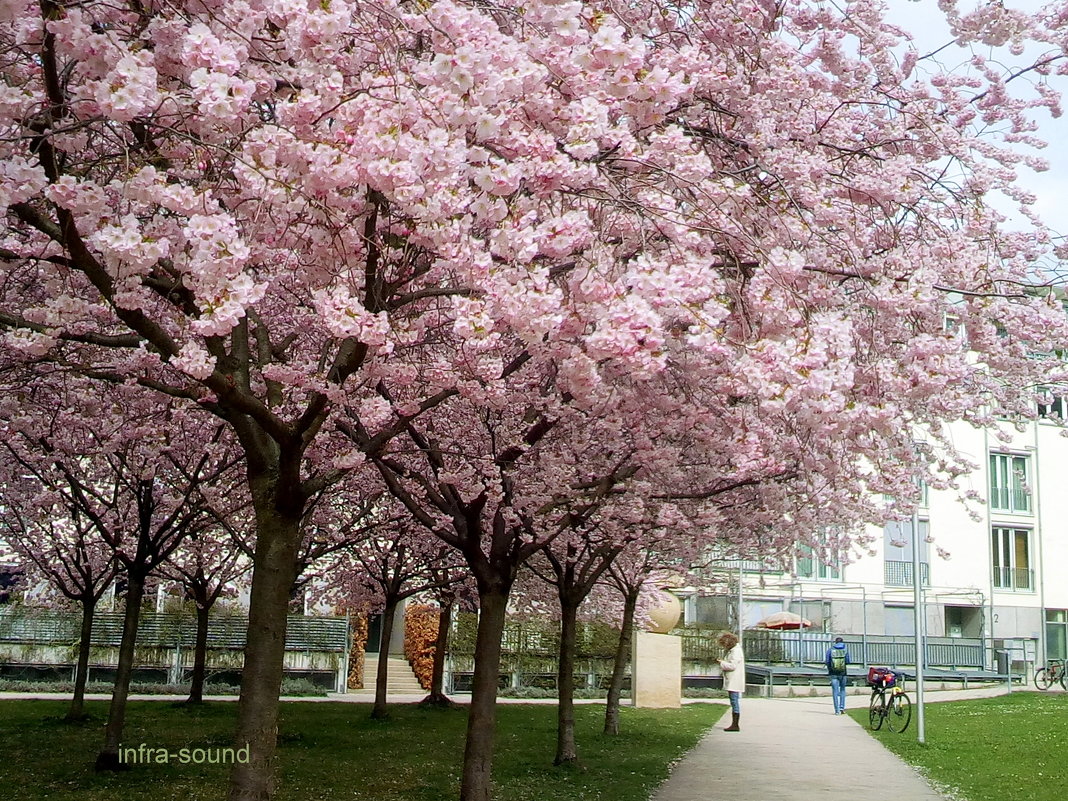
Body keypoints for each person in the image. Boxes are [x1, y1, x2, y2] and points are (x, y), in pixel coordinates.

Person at [718, 631, 745, 731]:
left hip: (734, 679)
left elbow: (732, 666)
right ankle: (734, 724)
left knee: (734, 701)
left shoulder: (735, 651)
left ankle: (735, 724)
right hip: (733, 679)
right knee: (733, 701)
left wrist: (721, 663)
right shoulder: (732, 650)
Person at [825, 636, 850, 714]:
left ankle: (837, 710)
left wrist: (830, 669)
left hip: (833, 673)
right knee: (842, 690)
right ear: (842, 642)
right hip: (843, 673)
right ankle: (842, 707)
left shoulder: (830, 650)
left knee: (835, 691)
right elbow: (848, 661)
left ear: (835, 642)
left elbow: (827, 661)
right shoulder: (845, 650)